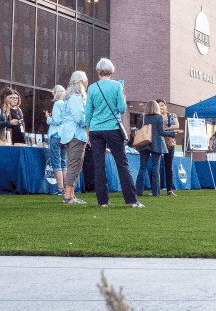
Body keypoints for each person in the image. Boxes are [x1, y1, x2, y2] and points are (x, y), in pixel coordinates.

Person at [83, 58, 141, 208]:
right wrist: (123, 94)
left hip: (95, 130)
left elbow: (88, 113)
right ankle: (132, 200)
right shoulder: (117, 86)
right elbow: (122, 108)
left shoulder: (92, 88)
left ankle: (102, 201)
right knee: (122, 164)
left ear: (97, 71)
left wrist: (88, 133)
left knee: (99, 166)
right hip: (113, 128)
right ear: (112, 71)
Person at [58, 72, 89, 204]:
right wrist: (90, 119)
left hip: (73, 135)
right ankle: (68, 196)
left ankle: (70, 195)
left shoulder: (71, 98)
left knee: (74, 165)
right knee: (74, 165)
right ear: (81, 82)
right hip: (76, 135)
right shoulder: (76, 99)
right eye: (86, 81)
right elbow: (79, 119)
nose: (87, 83)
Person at [136, 101, 167, 197]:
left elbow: (139, 129)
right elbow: (161, 132)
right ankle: (156, 192)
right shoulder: (159, 117)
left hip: (144, 143)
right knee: (155, 168)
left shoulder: (143, 117)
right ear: (156, 107)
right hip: (156, 143)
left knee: (142, 167)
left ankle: (138, 192)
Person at [46, 85, 68, 197]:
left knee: (56, 162)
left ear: (55, 93)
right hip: (64, 135)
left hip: (56, 135)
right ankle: (66, 189)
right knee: (64, 162)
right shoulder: (66, 104)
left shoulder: (57, 104)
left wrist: (48, 118)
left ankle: (60, 189)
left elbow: (56, 121)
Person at [159, 100, 180, 196]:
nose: (161, 107)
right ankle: (155, 189)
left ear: (166, 106)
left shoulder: (172, 115)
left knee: (168, 166)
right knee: (156, 167)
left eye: (162, 105)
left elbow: (177, 125)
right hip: (157, 142)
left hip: (170, 143)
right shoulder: (156, 116)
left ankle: (169, 190)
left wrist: (164, 129)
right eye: (159, 106)